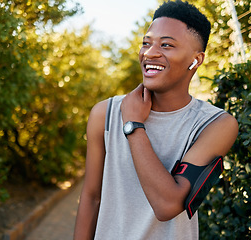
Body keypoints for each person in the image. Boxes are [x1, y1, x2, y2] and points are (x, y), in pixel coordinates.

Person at [74, 1, 238, 239]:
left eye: (166, 45)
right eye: (146, 43)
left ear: (196, 60)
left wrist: (133, 126)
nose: (149, 53)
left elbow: (168, 205)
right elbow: (91, 197)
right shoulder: (105, 113)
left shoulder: (215, 124)